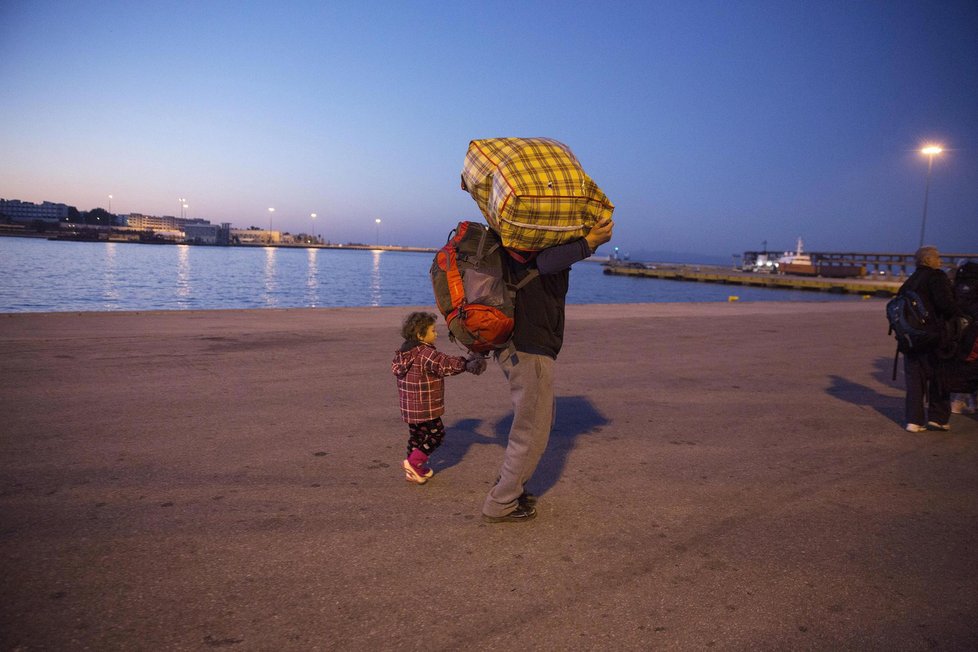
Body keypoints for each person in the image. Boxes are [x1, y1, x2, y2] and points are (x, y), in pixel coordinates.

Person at [482, 216, 614, 523]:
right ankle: (501, 503)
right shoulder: (530, 246)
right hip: (529, 346)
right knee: (532, 430)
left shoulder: (514, 237)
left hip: (517, 344)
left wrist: (584, 243)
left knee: (536, 420)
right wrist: (589, 242)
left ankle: (511, 486)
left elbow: (550, 260)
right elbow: (546, 263)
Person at [392, 312, 486, 484]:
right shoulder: (425, 353)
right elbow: (444, 363)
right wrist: (466, 364)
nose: (436, 334)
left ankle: (413, 469)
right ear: (421, 335)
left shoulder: (404, 352)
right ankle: (414, 463)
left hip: (410, 408)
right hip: (425, 407)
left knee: (417, 436)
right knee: (437, 435)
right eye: (433, 331)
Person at [899, 246, 963, 432]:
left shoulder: (909, 282)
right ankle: (938, 418)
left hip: (910, 339)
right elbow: (946, 306)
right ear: (929, 260)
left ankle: (914, 421)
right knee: (939, 376)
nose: (940, 261)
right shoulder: (937, 278)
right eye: (938, 257)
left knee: (914, 381)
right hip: (934, 337)